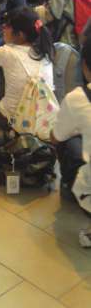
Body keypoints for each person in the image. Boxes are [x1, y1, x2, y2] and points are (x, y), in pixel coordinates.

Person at [0, 7, 54, 127]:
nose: (3, 27)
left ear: (20, 35)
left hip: (11, 121)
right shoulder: (45, 53)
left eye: (8, 26)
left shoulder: (5, 51)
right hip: (42, 121)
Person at [51, 36, 91, 248]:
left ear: (84, 65)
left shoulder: (78, 98)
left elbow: (56, 137)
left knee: (68, 141)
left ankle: (69, 187)